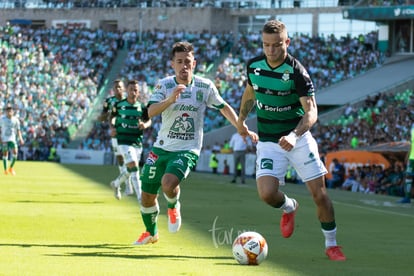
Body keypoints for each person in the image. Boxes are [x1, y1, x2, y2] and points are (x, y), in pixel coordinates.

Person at [236, 20, 346, 261]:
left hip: (298, 138)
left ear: (287, 42)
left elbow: (311, 112)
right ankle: (289, 206)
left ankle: (331, 244)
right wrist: (241, 118)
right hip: (268, 139)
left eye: (276, 45)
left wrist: (294, 136)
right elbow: (250, 91)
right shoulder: (253, 66)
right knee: (267, 194)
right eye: (266, 45)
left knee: (320, 195)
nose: (271, 50)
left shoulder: (297, 72)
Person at [133, 41, 254, 245]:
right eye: (179, 62)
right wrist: (171, 100)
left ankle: (173, 205)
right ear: (172, 64)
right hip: (161, 147)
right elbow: (150, 111)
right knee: (146, 195)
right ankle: (151, 232)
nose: (184, 66)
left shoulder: (204, 86)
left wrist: (240, 125)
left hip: (187, 148)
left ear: (194, 63)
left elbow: (223, 107)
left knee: (168, 183)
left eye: (187, 61)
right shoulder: (164, 85)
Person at [109, 80, 152, 202]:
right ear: (126, 90)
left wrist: (145, 125)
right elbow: (111, 118)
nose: (133, 92)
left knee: (131, 168)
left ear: (138, 92)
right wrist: (112, 128)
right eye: (131, 89)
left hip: (137, 142)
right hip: (123, 140)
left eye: (136, 90)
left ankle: (117, 183)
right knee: (134, 166)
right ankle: (140, 198)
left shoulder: (142, 107)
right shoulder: (119, 105)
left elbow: (149, 120)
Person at [99, 79, 133, 197]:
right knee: (121, 161)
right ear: (112, 90)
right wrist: (103, 117)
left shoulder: (129, 100)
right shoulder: (109, 101)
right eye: (115, 87)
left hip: (129, 135)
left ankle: (119, 184)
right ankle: (125, 186)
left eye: (119, 87)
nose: (117, 89)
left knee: (131, 161)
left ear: (123, 88)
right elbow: (103, 117)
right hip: (116, 135)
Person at [1, 103, 24, 175]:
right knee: (5, 154)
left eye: (10, 111)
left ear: (13, 112)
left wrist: (21, 138)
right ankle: (5, 170)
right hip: (4, 139)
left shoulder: (16, 120)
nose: (9, 112)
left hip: (12, 139)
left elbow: (18, 130)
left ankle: (11, 168)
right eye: (8, 111)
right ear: (6, 112)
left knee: (15, 152)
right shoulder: (2, 119)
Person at [398, 123, 414, 203]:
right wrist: (408, 154)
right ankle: (407, 197)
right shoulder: (413, 126)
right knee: (408, 176)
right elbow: (412, 143)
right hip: (412, 157)